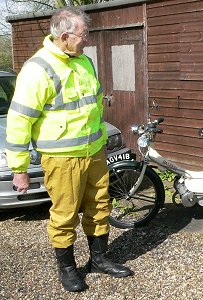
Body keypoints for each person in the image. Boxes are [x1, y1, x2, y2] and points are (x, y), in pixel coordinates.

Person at [6, 7, 132, 292]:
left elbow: (92, 106)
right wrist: (19, 169)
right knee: (64, 215)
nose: (87, 40)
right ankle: (67, 269)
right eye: (83, 35)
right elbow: (19, 120)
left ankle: (99, 259)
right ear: (64, 36)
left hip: (94, 152)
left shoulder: (84, 62)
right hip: (62, 159)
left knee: (100, 206)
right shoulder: (37, 69)